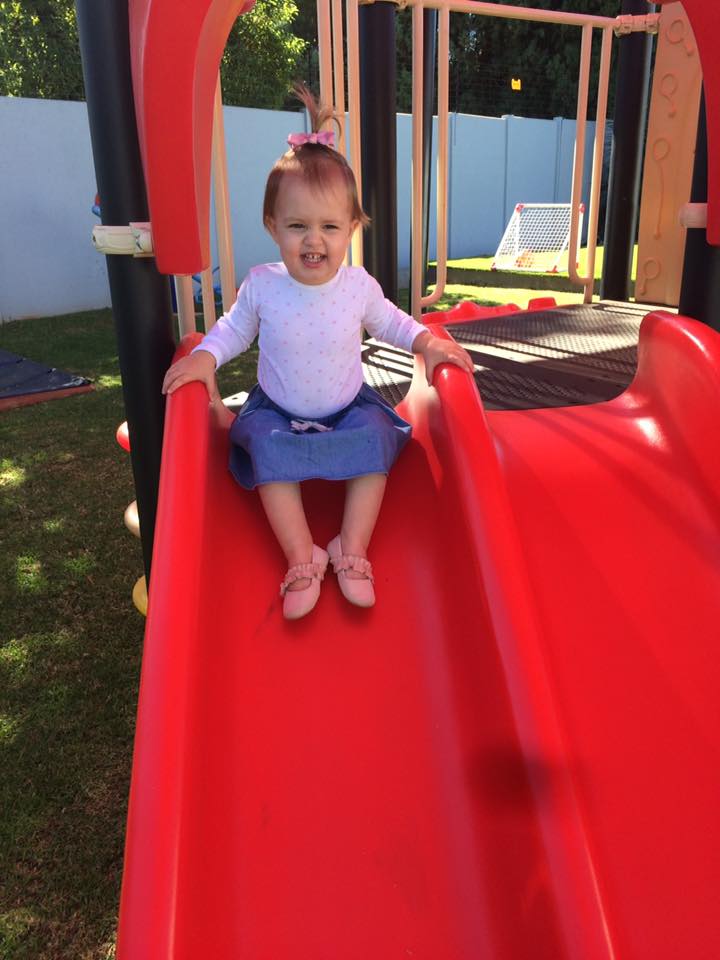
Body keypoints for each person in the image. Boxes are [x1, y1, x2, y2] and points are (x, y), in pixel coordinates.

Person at [162, 85, 474, 620]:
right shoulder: (263, 285)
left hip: (347, 407)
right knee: (269, 455)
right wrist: (205, 358)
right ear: (273, 227)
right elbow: (234, 330)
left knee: (375, 445)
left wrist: (428, 342)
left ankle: (350, 546)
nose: (314, 240)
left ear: (351, 228)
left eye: (329, 227)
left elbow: (392, 322)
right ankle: (301, 555)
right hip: (278, 410)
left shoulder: (357, 286)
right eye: (298, 226)